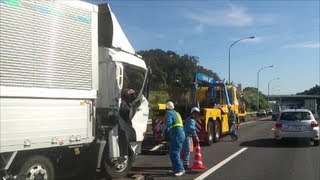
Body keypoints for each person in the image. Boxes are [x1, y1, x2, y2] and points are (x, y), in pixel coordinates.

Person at [162, 101, 186, 177]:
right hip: (179, 133)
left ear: (166, 108)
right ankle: (175, 168)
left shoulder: (169, 113)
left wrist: (164, 131)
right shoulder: (176, 113)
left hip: (177, 133)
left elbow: (169, 123)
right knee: (173, 152)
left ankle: (180, 169)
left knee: (175, 152)